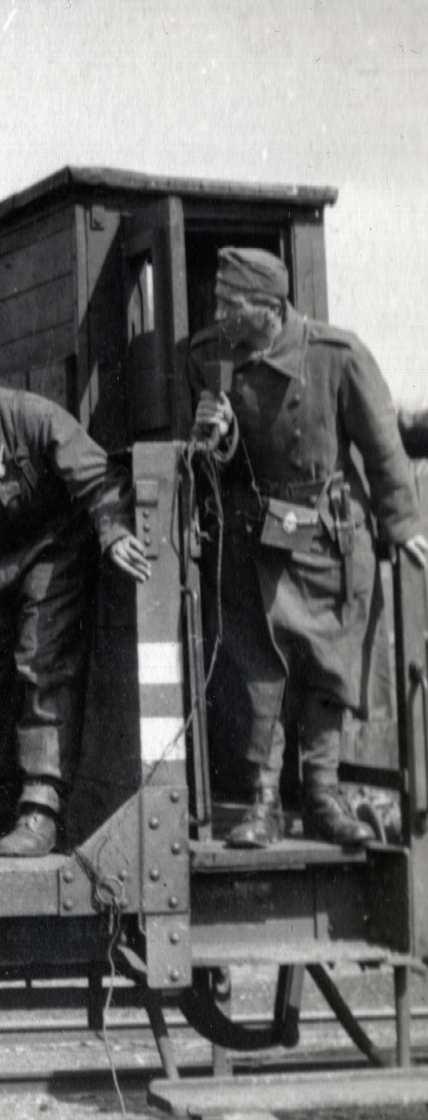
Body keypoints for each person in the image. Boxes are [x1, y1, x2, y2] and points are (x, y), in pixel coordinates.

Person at [189, 247, 428, 848]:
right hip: (255, 540)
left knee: (328, 668)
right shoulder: (211, 358)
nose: (217, 312)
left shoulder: (335, 354)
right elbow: (211, 462)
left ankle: (322, 796)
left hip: (328, 540)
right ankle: (263, 805)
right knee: (259, 673)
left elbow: (382, 446)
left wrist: (404, 526)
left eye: (229, 303)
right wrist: (213, 441)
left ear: (268, 308)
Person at [0, 349, 151, 857]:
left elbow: (99, 476)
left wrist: (112, 532)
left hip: (50, 552)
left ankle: (40, 807)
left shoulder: (35, 418)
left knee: (41, 663)